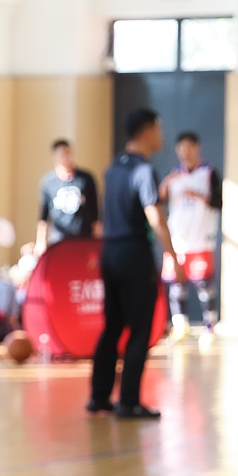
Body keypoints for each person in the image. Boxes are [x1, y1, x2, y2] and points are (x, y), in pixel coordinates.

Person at [89, 108, 176, 419]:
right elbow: (156, 218)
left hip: (110, 252)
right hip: (134, 254)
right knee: (140, 330)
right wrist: (172, 255)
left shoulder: (113, 168)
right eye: (159, 128)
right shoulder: (144, 170)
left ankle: (99, 397)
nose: (161, 135)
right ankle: (129, 401)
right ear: (148, 130)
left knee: (112, 326)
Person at [158, 131, 222, 340]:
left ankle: (210, 325)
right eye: (181, 148)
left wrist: (199, 196)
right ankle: (180, 325)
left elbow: (219, 202)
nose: (184, 152)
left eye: (188, 147)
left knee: (204, 285)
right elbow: (158, 200)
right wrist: (166, 183)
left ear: (197, 147)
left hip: (201, 239)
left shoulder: (209, 173)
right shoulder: (174, 176)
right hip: (177, 240)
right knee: (177, 284)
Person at [36, 138, 99, 250]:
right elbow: (43, 216)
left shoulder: (85, 179)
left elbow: (95, 211)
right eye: (61, 154)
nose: (65, 157)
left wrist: (97, 237)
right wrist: (40, 241)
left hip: (83, 237)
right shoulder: (48, 183)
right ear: (54, 156)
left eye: (68, 153)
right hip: (59, 238)